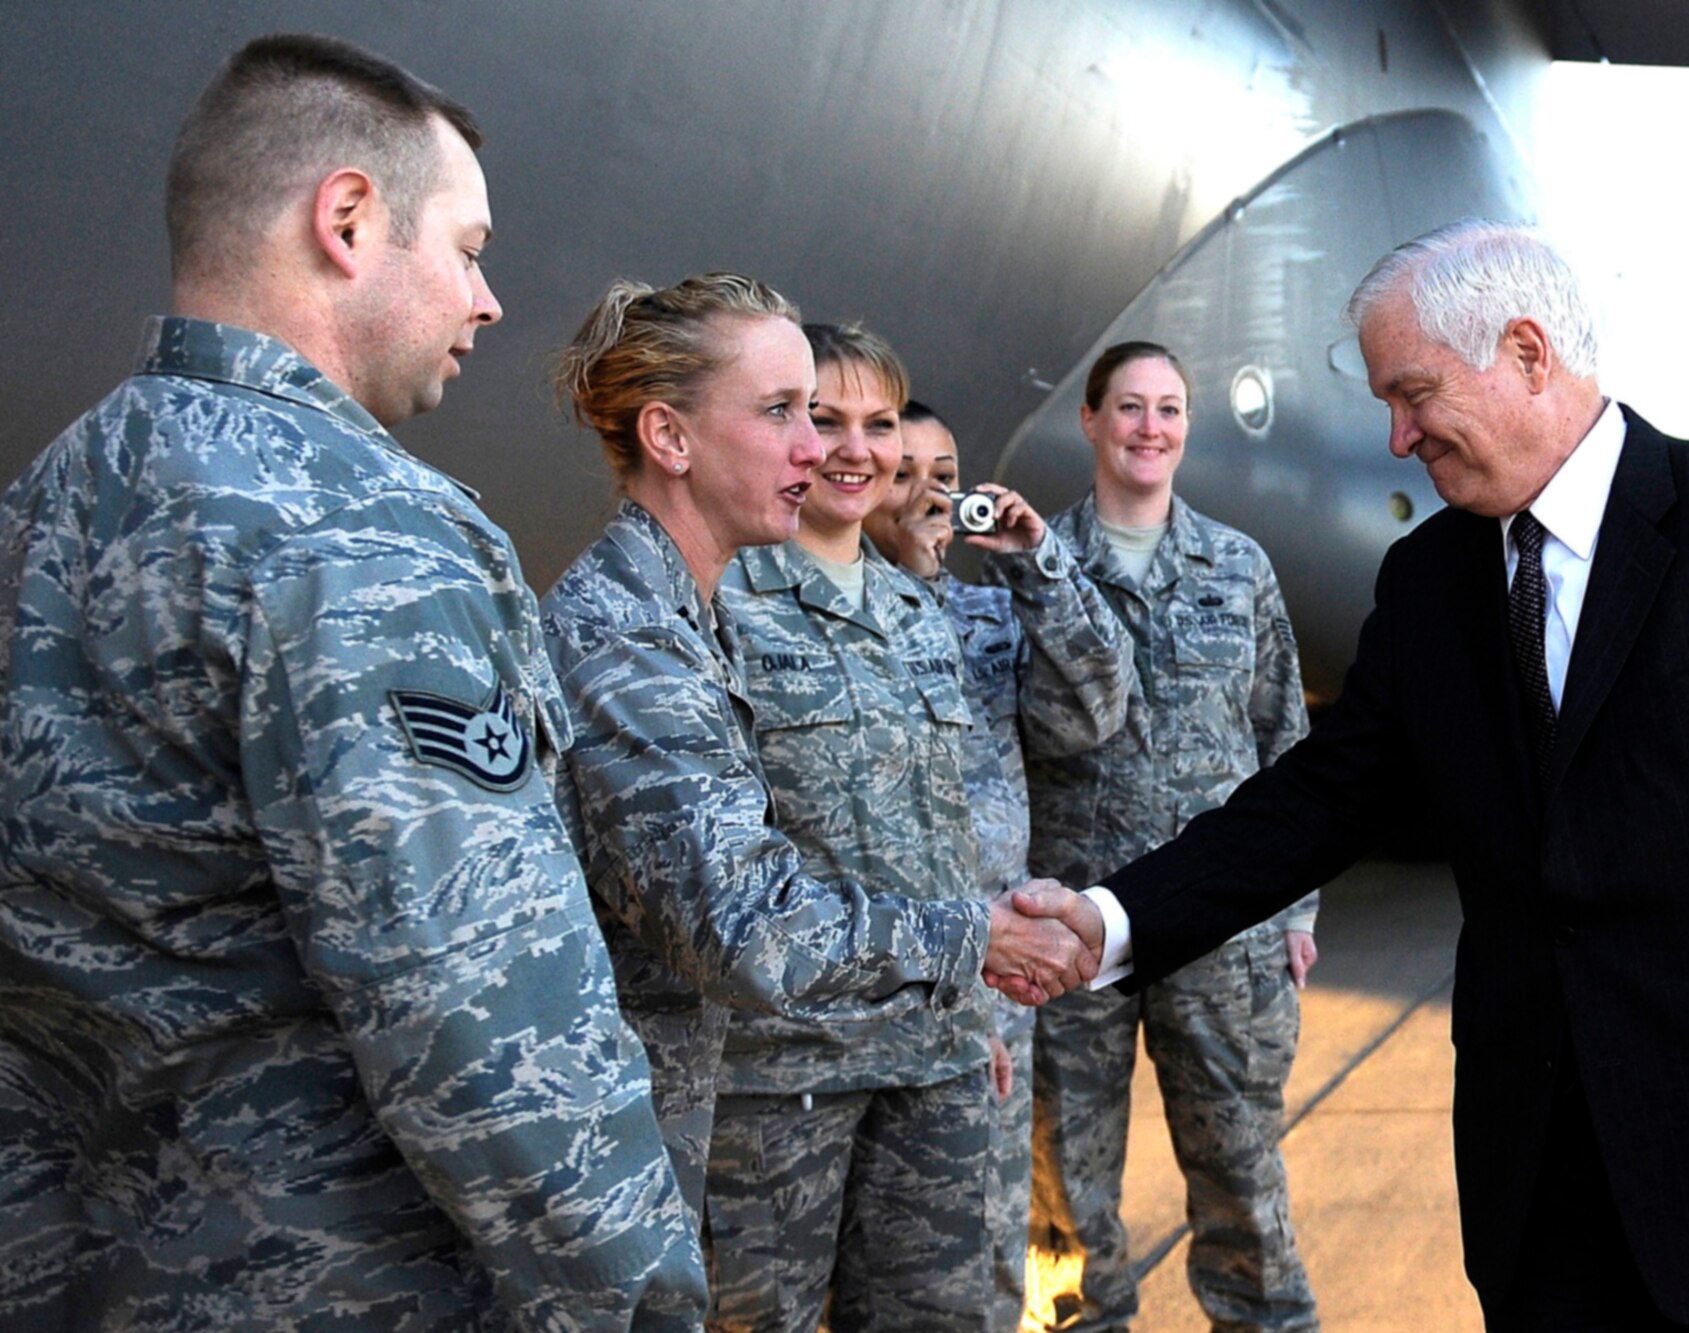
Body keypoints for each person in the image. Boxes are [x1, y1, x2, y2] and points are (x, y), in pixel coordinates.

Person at [1017, 220, 1689, 1330]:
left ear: (1525, 353)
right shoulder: (1430, 581)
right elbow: (1320, 796)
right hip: (1539, 1176)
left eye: (1411, 392)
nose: (1394, 436)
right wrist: (1108, 917)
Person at [0, 34, 697, 1327]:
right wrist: (646, 1303)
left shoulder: (46, 502)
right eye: (471, 248)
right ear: (349, 219)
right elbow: (488, 1019)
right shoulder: (369, 536)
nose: (487, 301)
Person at [537, 278, 1096, 1240]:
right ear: (671, 439)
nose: (819, 448)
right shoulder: (630, 641)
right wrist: (978, 940)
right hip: (727, 1110)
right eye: (783, 412)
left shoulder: (686, 616)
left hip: (885, 1058)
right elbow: (742, 924)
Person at [704, 324, 1004, 1331]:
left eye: (877, 424)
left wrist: (977, 1012)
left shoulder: (918, 612)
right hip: (782, 1072)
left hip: (935, 1053)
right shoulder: (721, 603)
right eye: (820, 418)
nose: (854, 448)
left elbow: (945, 830)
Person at [1016, 341, 1319, 1333]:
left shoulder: (1236, 566)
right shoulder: (1035, 570)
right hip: (1069, 930)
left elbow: (1287, 745)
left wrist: (1294, 907)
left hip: (1220, 933)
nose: (1151, 427)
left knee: (1241, 1176)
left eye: (1169, 409)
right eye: (1131, 407)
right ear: (1091, 421)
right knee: (1065, 1196)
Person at [862, 400, 1135, 1330]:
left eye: (947, 475)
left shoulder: (987, 616)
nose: (931, 496)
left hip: (995, 981)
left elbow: (1098, 707)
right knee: (877, 1265)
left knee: (986, 1245)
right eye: (907, 475)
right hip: (887, 978)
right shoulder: (827, 620)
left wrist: (1036, 567)